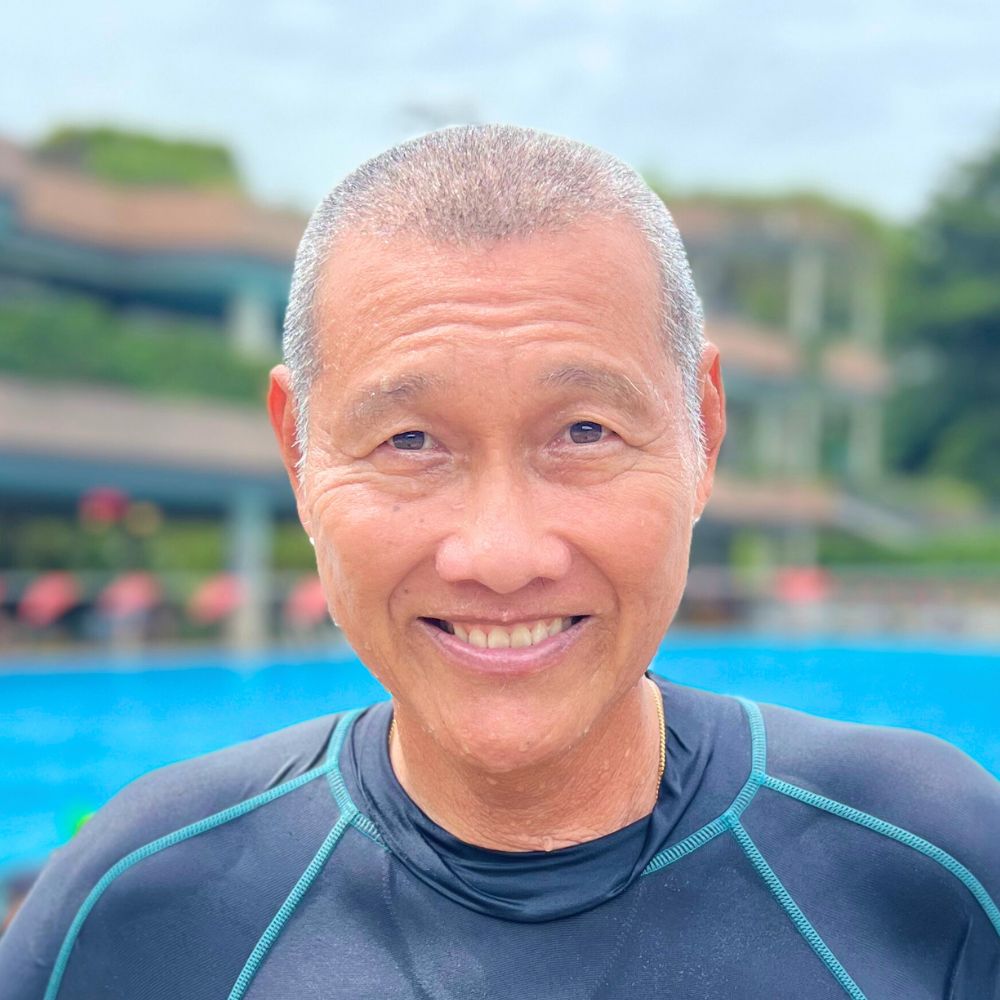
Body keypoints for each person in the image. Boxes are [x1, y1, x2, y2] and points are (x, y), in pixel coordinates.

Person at [2, 125, 998, 1000]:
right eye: (409, 441)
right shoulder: (135, 908)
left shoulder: (935, 866)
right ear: (298, 455)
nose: (501, 554)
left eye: (582, 429)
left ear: (702, 426)